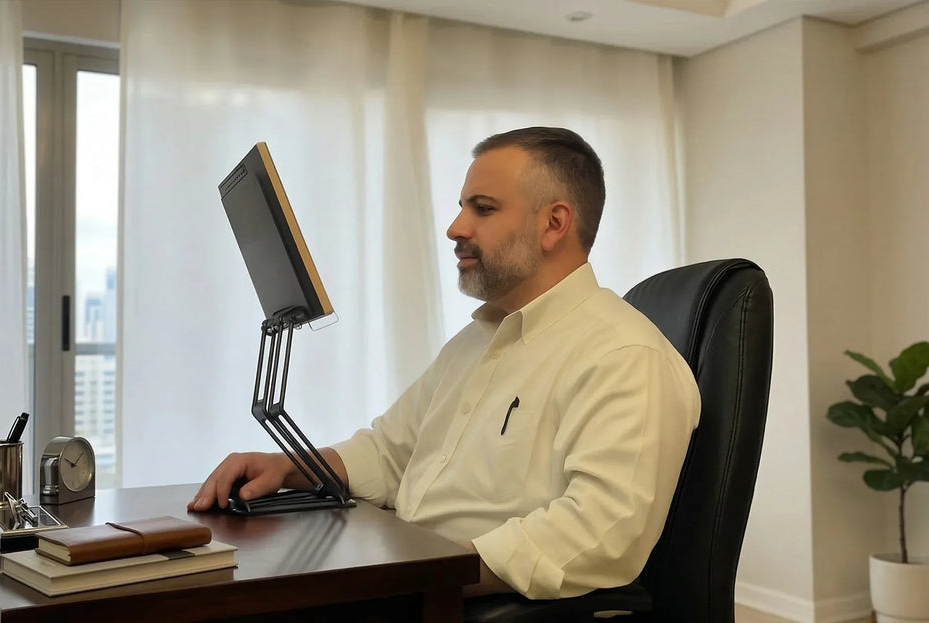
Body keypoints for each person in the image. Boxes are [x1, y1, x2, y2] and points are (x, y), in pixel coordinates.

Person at [188, 127, 700, 600]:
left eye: (483, 208)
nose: (456, 227)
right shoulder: (476, 341)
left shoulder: (626, 358)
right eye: (462, 207)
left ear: (554, 223)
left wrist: (417, 579)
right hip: (413, 574)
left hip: (454, 599)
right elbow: (391, 454)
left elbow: (599, 535)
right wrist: (288, 468)